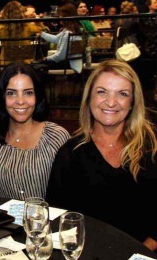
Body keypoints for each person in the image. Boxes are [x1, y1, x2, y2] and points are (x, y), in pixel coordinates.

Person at [46, 59, 157, 251]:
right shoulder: (69, 155)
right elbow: (58, 219)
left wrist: (138, 253)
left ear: (132, 103)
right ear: (89, 98)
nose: (111, 102)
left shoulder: (152, 148)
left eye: (122, 94)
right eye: (102, 92)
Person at [0, 61, 70, 200]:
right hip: (2, 221)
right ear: (2, 98)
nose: (20, 101)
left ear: (37, 96)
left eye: (28, 93)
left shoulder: (57, 137)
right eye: (11, 93)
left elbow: (68, 195)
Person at [0, 0, 47, 66]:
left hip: (7, 63)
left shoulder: (0, 28)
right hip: (26, 63)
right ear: (21, 12)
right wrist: (36, 19)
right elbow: (42, 29)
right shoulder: (27, 26)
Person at [38, 3, 84, 73]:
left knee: (39, 65)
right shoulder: (75, 30)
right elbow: (56, 39)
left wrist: (46, 59)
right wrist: (42, 34)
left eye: (60, 16)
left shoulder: (68, 33)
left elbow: (61, 56)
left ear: (66, 17)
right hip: (76, 63)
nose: (59, 18)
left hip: (68, 64)